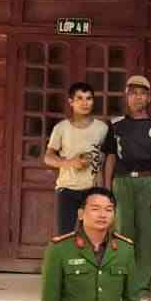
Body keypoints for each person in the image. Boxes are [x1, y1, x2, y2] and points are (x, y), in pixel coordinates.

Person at [102, 75, 151, 301]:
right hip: (122, 182)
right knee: (121, 235)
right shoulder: (116, 125)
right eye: (132, 93)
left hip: (149, 182)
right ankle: (122, 287)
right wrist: (107, 191)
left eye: (142, 93)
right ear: (126, 97)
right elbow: (110, 157)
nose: (137, 97)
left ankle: (143, 290)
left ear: (149, 97)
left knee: (147, 237)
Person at [44, 82, 109, 235]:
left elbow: (108, 159)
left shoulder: (102, 129)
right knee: (65, 236)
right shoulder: (61, 128)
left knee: (92, 235)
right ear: (71, 102)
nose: (85, 103)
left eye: (89, 98)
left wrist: (103, 185)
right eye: (79, 98)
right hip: (67, 189)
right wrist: (69, 162)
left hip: (93, 190)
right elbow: (48, 157)